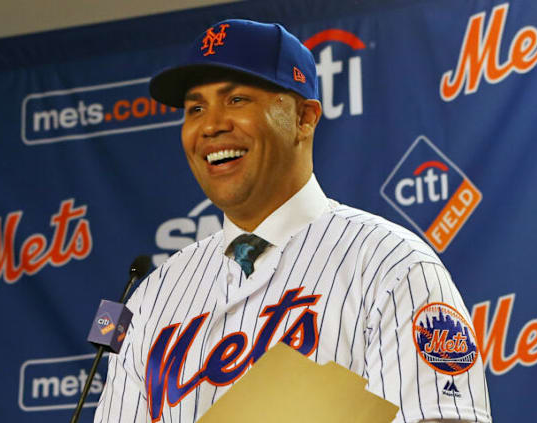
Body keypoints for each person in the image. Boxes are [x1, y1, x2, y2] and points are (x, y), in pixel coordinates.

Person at [94, 19, 491, 423]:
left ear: (304, 118)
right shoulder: (155, 295)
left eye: (237, 100)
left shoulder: (393, 266)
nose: (211, 125)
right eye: (196, 108)